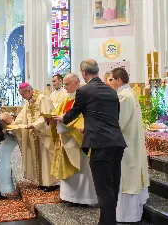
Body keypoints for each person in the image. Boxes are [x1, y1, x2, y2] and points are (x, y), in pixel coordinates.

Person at [55, 59, 127, 225]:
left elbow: (72, 114)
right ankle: (107, 221)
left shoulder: (84, 91)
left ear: (84, 73)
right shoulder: (111, 92)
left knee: (103, 189)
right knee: (113, 186)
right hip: (117, 143)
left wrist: (62, 118)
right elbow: (115, 117)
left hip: (100, 144)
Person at [108, 68, 150, 223]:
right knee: (128, 176)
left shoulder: (124, 97)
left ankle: (127, 215)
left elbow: (118, 123)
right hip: (129, 141)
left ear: (119, 80)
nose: (108, 82)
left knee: (126, 177)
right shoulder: (128, 94)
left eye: (111, 79)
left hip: (125, 144)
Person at [50, 73, 98, 206]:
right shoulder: (66, 100)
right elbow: (58, 114)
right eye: (64, 84)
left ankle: (83, 199)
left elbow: (83, 118)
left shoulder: (84, 98)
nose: (64, 87)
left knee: (82, 169)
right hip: (66, 139)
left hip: (78, 141)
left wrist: (65, 122)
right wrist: (53, 119)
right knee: (69, 170)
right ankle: (70, 197)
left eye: (67, 84)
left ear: (76, 83)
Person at [11, 83, 58, 192]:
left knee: (46, 158)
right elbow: (21, 117)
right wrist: (13, 125)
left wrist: (35, 124)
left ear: (28, 91)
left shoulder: (42, 99)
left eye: (22, 95)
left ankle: (51, 183)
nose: (22, 97)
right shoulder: (28, 102)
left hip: (44, 135)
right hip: (34, 135)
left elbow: (47, 116)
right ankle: (41, 181)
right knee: (38, 158)